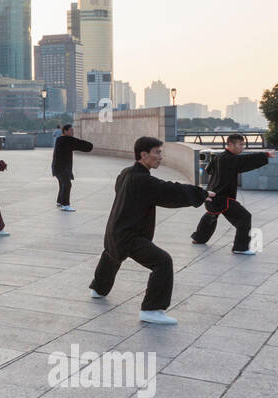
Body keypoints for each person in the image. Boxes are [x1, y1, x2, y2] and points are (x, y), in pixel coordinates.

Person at [89, 136, 210, 326]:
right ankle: (152, 310)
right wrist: (201, 194)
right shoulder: (142, 180)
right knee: (163, 261)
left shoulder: (125, 173)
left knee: (112, 254)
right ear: (144, 155)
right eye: (157, 153)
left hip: (115, 230)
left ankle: (98, 289)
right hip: (129, 235)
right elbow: (169, 191)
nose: (161, 157)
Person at [191, 135, 274, 254]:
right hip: (221, 198)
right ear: (229, 144)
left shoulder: (219, 157)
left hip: (212, 196)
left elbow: (209, 170)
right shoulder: (229, 159)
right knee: (244, 217)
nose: (242, 147)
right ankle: (240, 248)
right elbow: (245, 161)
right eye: (240, 144)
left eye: (243, 144)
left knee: (211, 214)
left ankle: (198, 238)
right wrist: (265, 155)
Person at [52, 123, 95, 211]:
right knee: (67, 184)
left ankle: (60, 201)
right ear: (65, 131)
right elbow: (80, 143)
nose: (73, 132)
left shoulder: (60, 139)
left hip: (57, 167)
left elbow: (77, 143)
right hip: (62, 168)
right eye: (71, 130)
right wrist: (90, 146)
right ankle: (65, 204)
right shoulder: (66, 140)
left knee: (62, 184)